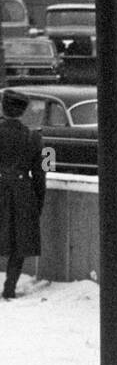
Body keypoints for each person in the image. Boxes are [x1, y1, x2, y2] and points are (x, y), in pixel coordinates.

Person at [0, 90, 46, 300]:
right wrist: (38, 202)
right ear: (23, 112)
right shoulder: (35, 137)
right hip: (23, 193)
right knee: (19, 244)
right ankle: (10, 287)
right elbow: (43, 171)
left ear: (3, 107)